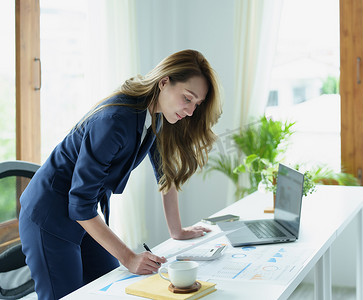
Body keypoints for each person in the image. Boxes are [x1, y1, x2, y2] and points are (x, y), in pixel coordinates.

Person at [19, 49, 222, 300]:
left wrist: (176, 230)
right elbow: (80, 202)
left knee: (110, 288)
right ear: (164, 82)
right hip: (49, 216)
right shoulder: (115, 121)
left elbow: (165, 174)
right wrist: (129, 257)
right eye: (187, 99)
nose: (190, 111)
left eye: (196, 105)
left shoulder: (155, 116)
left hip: (84, 216)